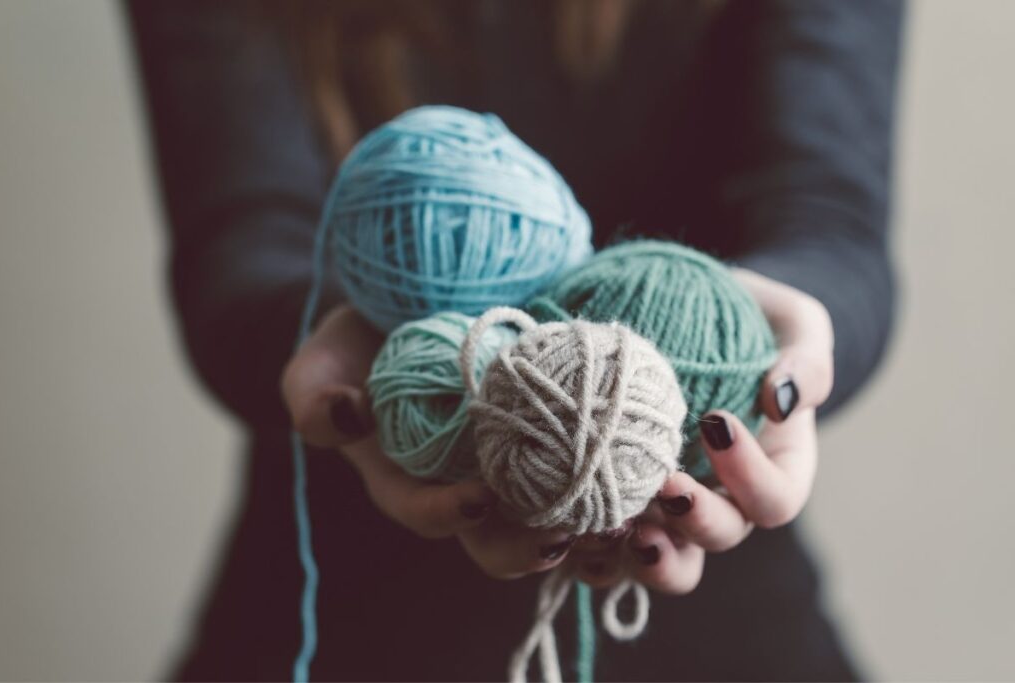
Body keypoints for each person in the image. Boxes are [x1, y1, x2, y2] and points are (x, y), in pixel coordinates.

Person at [127, 1, 903, 680]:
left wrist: (788, 331)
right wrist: (353, 362)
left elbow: (827, 218)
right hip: (338, 617)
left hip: (728, 618)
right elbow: (240, 245)